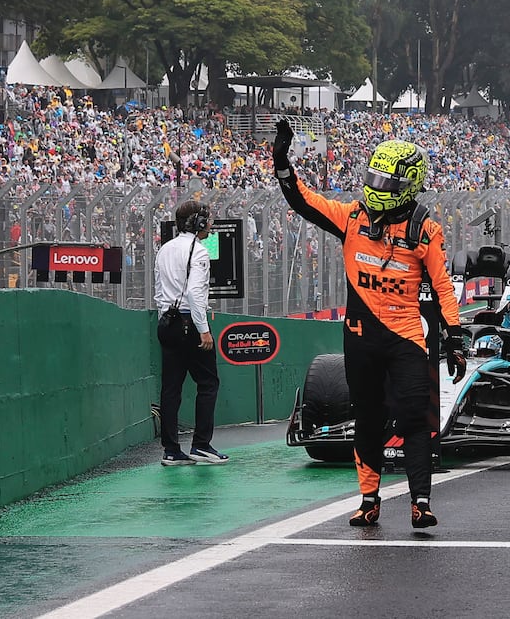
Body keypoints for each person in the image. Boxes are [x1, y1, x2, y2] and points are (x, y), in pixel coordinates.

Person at [270, 118, 466, 530]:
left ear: (408, 184)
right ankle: (368, 500)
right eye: (372, 176)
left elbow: (443, 286)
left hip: (407, 338)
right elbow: (306, 202)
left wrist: (455, 336)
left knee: (415, 417)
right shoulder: (352, 217)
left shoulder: (425, 229)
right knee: (368, 419)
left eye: (385, 179)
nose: (375, 185)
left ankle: (421, 503)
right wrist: (282, 163)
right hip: (360, 338)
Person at [153, 198, 227, 467]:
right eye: (205, 219)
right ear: (196, 222)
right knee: (208, 383)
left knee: (171, 389)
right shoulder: (199, 251)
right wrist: (203, 330)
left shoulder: (164, 249)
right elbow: (196, 294)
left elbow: (159, 291)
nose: (209, 223)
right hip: (190, 324)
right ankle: (201, 445)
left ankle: (171, 450)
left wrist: (165, 318)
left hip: (167, 323)